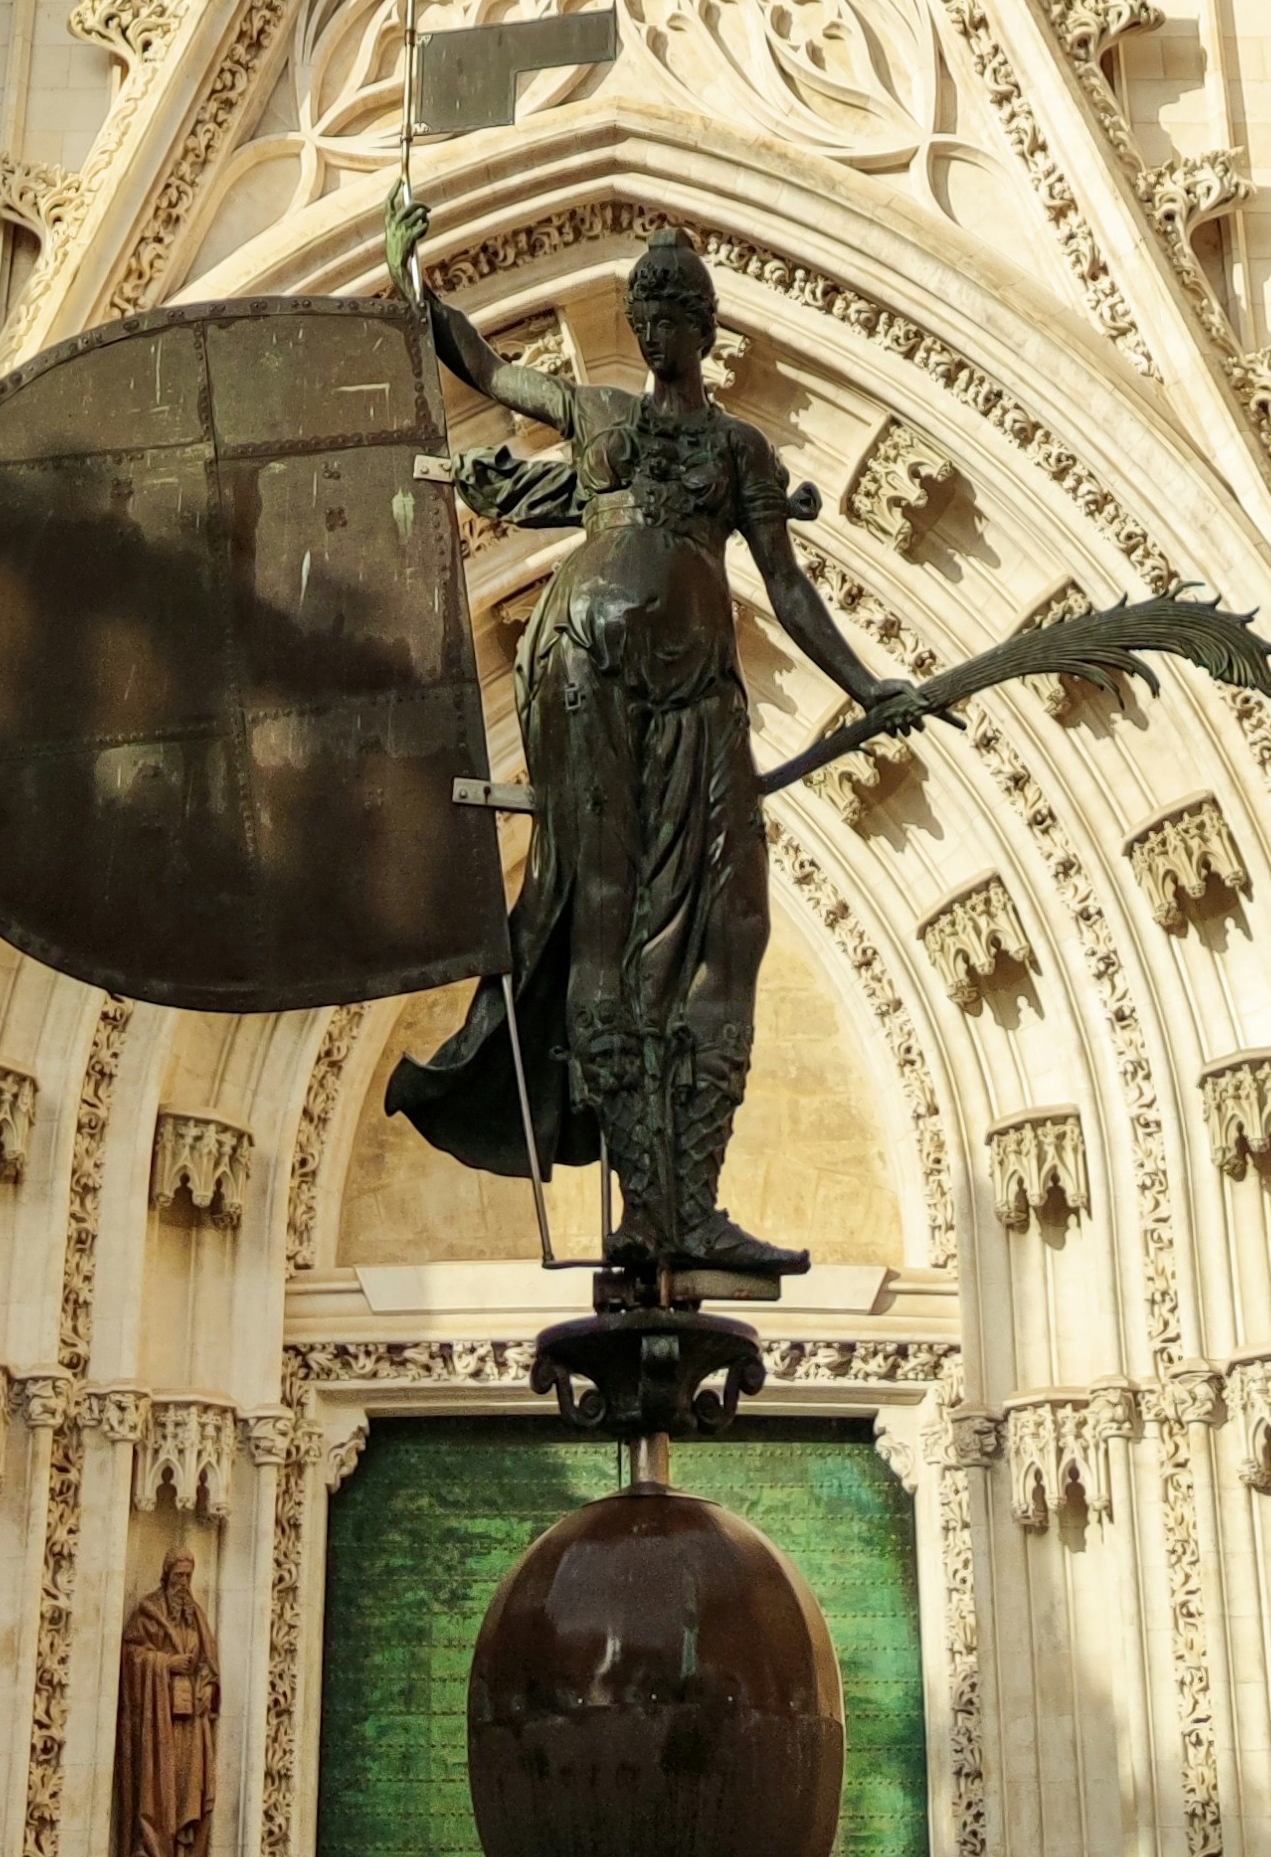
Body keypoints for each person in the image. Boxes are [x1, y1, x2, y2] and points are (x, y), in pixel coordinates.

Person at [381, 202, 921, 1276]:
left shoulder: (737, 449)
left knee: (733, 922)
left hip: (698, 695)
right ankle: (651, 1207)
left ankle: (683, 1201)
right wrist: (414, 288)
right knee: (599, 912)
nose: (658, 323)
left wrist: (868, 686)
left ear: (706, 328)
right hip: (585, 670)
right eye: (646, 309)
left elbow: (791, 590)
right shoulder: (594, 416)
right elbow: (488, 370)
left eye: (675, 308)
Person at [113, 1544, 220, 1857]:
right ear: (166, 1575)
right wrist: (165, 1664)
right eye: (178, 1576)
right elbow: (131, 1655)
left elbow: (208, 1664)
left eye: (188, 1576)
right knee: (159, 1784)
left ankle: (182, 1847)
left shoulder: (196, 1618)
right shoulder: (149, 1614)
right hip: (158, 1720)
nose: (183, 1583)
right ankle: (151, 1847)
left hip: (191, 1724)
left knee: (189, 1789)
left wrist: (208, 1687)